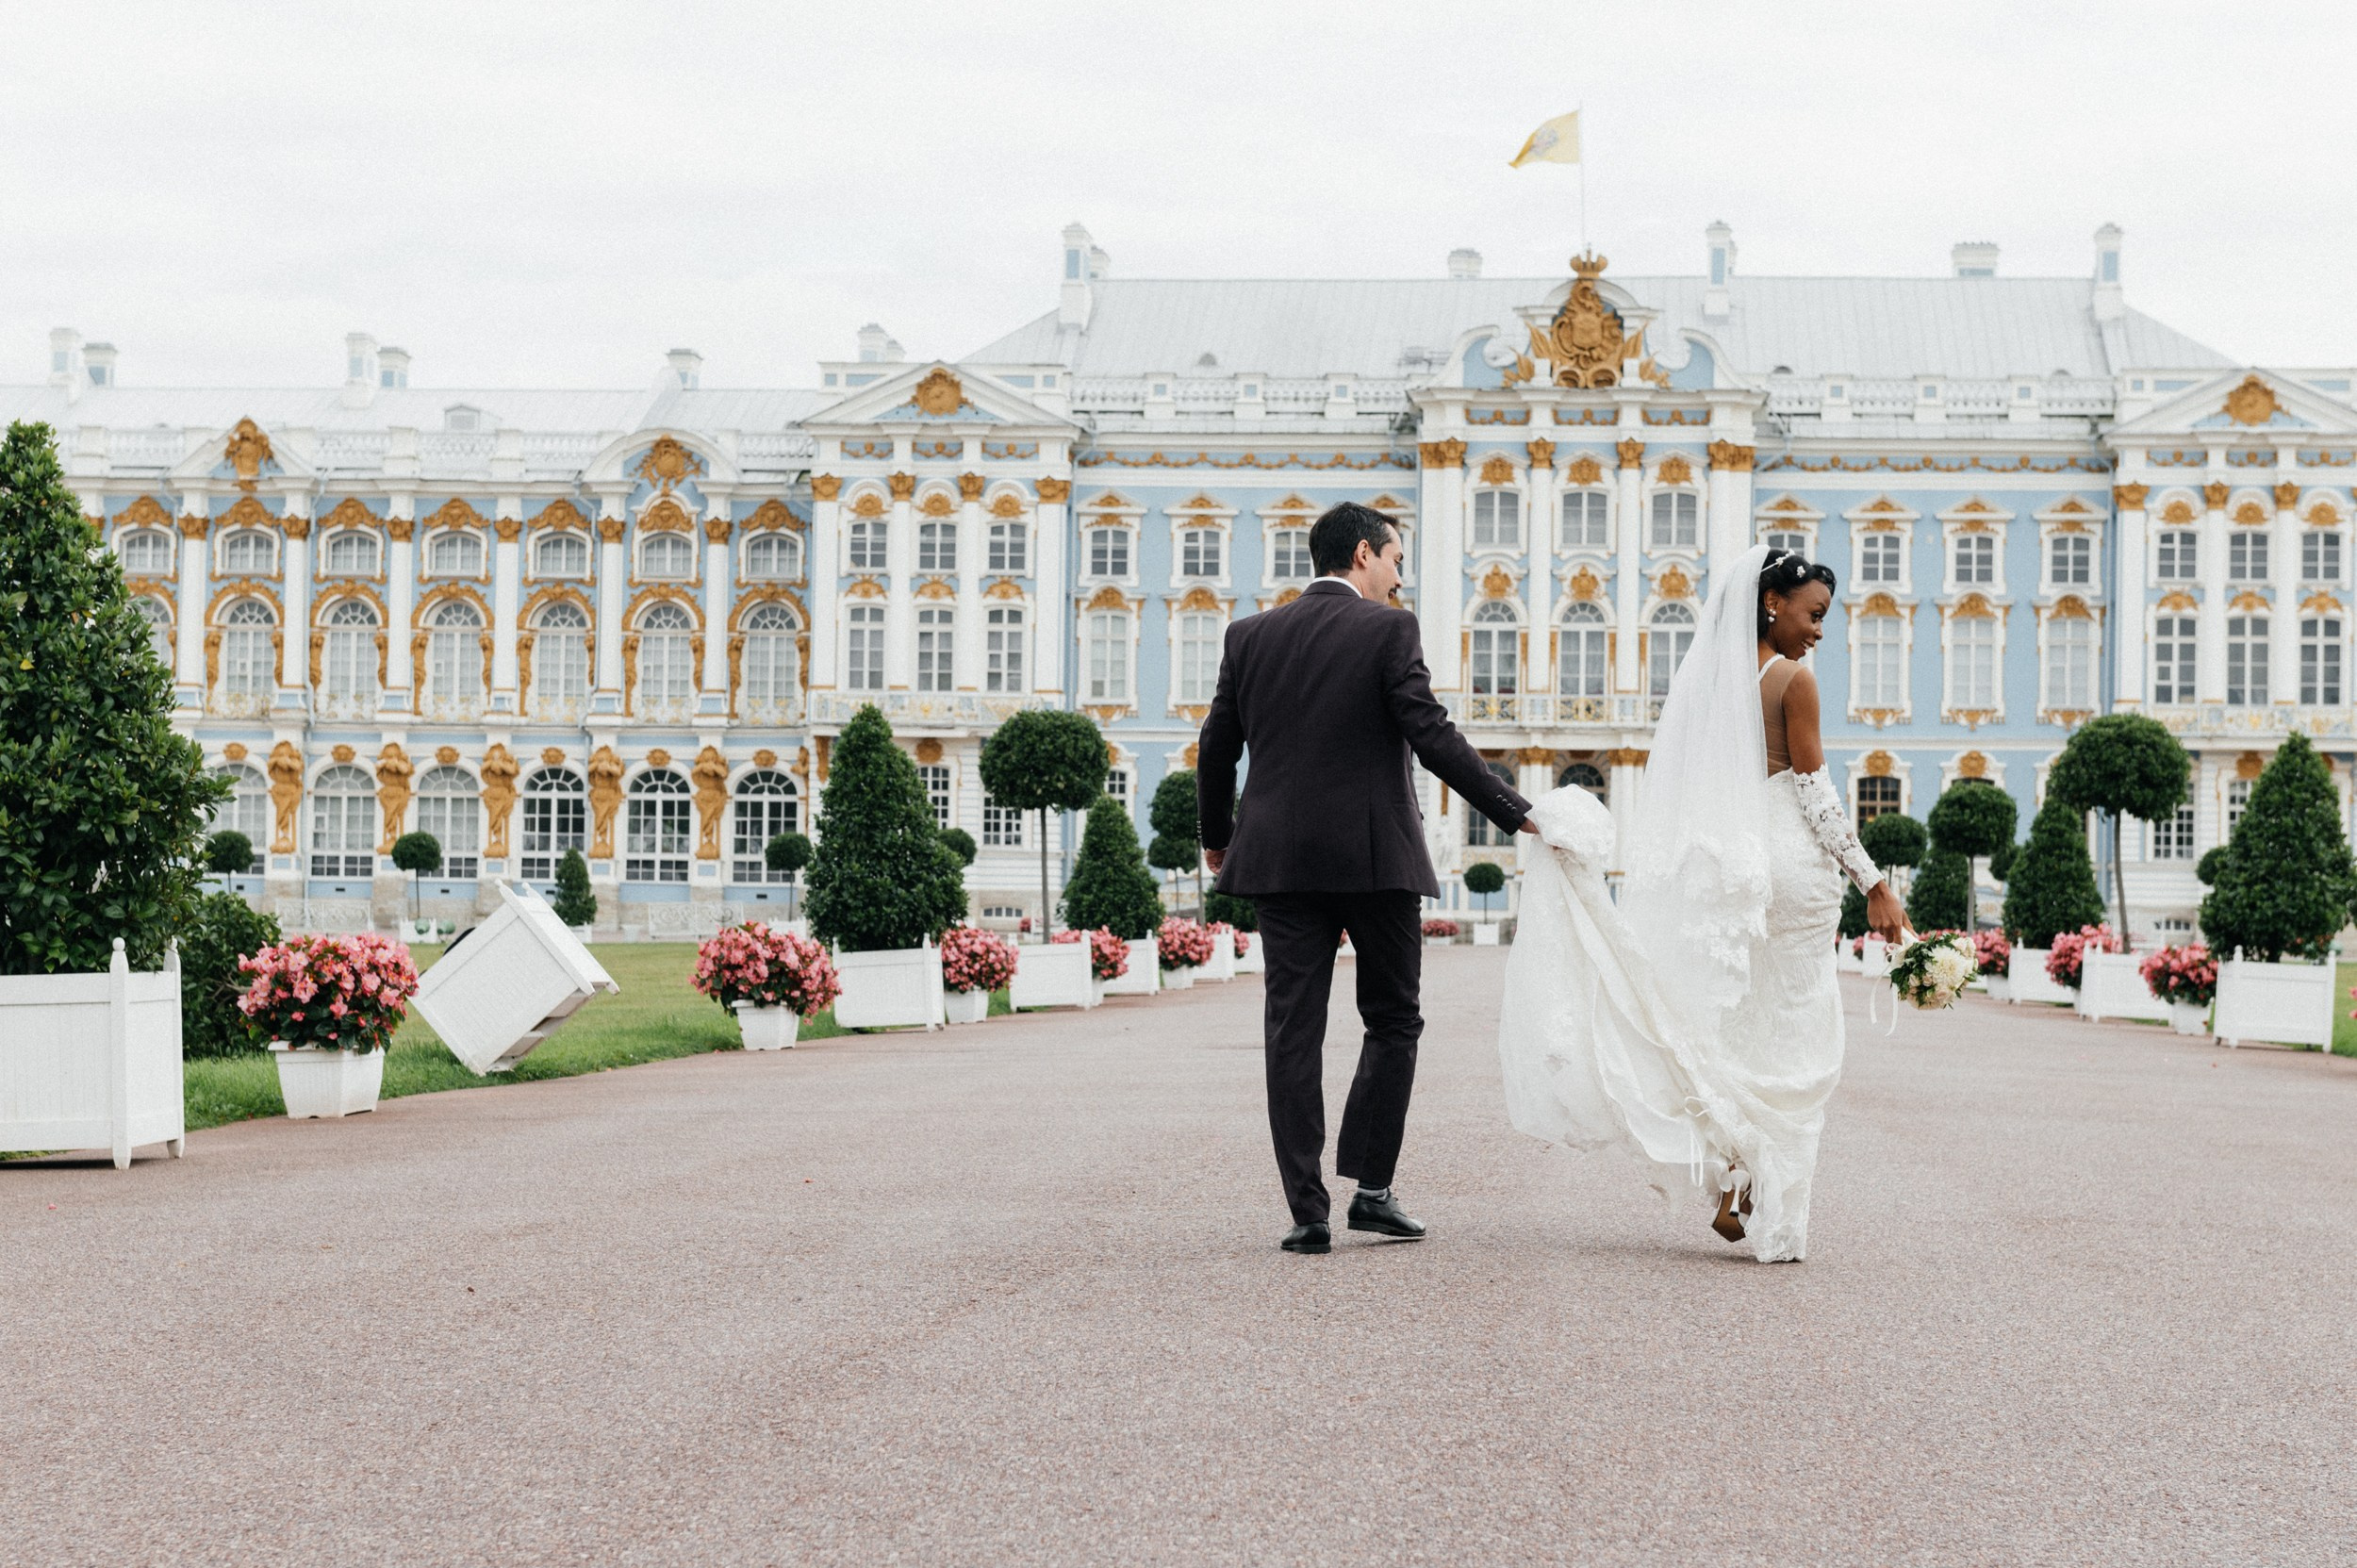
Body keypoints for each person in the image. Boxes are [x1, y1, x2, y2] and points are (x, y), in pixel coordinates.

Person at [1498, 545, 1904, 1263]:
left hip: (1728, 870)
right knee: (1798, 1040)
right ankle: (1778, 1222)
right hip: (1792, 873)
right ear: (1772, 602)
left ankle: (1734, 1180)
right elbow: (1816, 795)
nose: (1817, 631)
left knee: (1738, 1032)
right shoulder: (1791, 681)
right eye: (1813, 615)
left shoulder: (1705, 685)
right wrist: (1873, 881)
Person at [1198, 502, 1535, 1255]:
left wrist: (1219, 838)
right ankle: (1372, 1190)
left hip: (1279, 861)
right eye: (1396, 560)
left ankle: (1308, 1210)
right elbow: (1432, 734)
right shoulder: (1390, 629)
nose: (1399, 575)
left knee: (1292, 1030)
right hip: (1376, 859)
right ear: (1362, 555)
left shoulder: (1249, 635)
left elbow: (1216, 746)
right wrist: (1515, 812)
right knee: (1393, 1018)